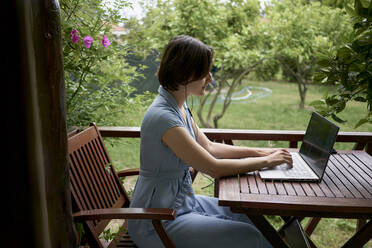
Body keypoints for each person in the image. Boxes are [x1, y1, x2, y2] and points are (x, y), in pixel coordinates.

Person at [127, 35, 293, 248]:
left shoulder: (178, 106)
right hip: (157, 221)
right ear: (187, 73)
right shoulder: (163, 117)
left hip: (181, 205)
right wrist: (267, 162)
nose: (210, 79)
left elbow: (209, 147)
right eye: (206, 73)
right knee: (247, 236)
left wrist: (262, 152)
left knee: (250, 217)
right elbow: (213, 168)